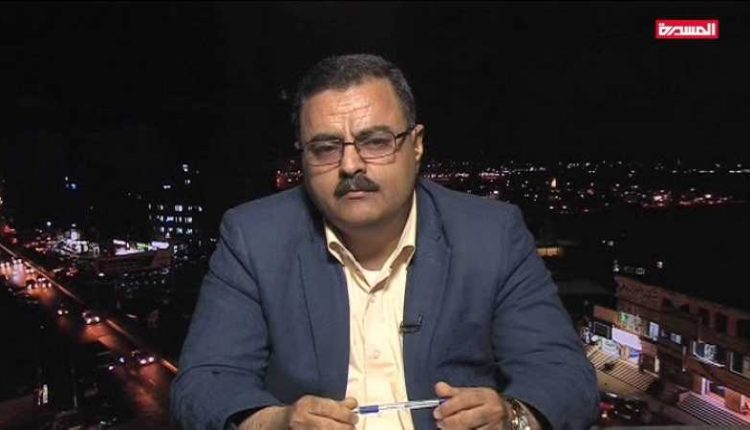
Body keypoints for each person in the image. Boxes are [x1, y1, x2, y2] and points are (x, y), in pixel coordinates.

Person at [171, 54, 598, 430]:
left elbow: (563, 374)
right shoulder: (252, 237)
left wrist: (513, 417)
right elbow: (202, 384)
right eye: (325, 148)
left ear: (417, 145)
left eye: (375, 142)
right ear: (303, 157)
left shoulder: (492, 234)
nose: (350, 165)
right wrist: (274, 423)